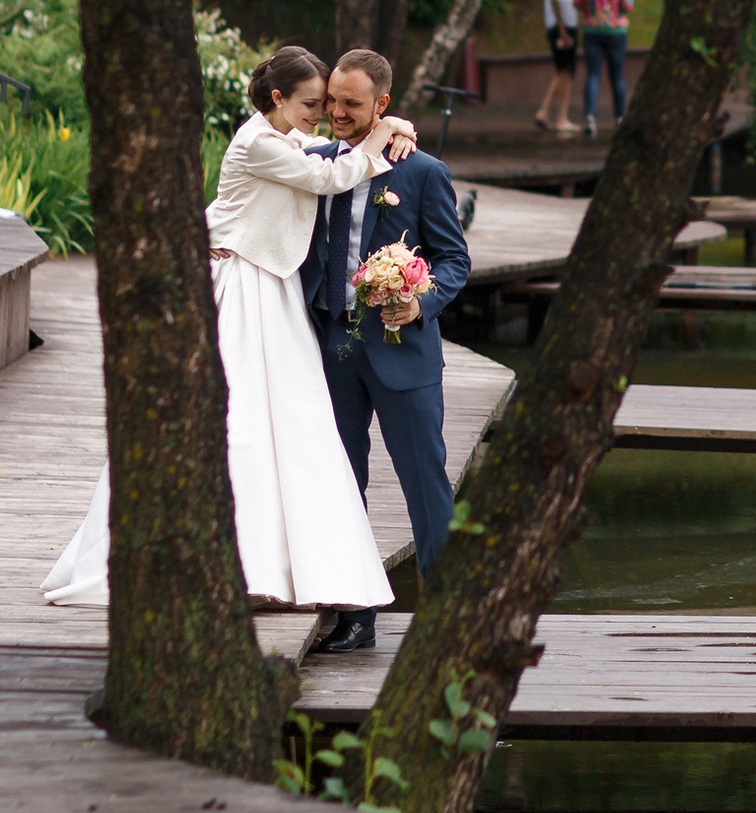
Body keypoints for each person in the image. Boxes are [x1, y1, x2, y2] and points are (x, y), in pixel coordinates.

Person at [42, 45, 415, 615]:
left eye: (325, 105)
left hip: (271, 286)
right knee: (234, 420)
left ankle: (267, 566)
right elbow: (331, 176)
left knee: (286, 417)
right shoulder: (258, 143)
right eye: (311, 104)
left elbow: (317, 156)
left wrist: (394, 122)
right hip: (241, 285)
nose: (320, 115)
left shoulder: (284, 136)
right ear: (278, 98)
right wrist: (382, 132)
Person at [302, 47, 473, 653]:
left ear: (382, 105)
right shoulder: (315, 163)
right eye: (331, 101)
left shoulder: (422, 171)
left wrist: (421, 302)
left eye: (351, 104)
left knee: (425, 483)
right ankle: (356, 615)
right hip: (334, 343)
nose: (337, 113)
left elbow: (454, 260)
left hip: (403, 348)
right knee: (340, 482)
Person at [575, 0, 635, 137]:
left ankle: (590, 118)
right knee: (617, 76)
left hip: (592, 28)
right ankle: (619, 118)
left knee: (593, 75)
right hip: (616, 30)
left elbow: (578, 2)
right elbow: (628, 4)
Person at [536, 0, 583, 134]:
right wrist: (562, 30)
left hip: (564, 24)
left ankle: (545, 112)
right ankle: (560, 117)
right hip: (562, 26)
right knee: (565, 71)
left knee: (564, 71)